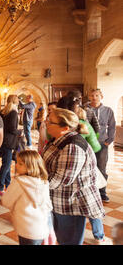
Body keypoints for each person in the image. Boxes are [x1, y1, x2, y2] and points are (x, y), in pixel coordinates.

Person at [42, 108, 105, 245]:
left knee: (69, 241)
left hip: (70, 205)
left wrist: (33, 184)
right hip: (58, 201)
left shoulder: (72, 147)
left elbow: (61, 179)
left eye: (50, 121)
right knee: (61, 238)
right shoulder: (57, 139)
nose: (46, 123)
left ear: (64, 128)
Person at [57, 96, 109, 244]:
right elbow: (97, 146)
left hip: (67, 173)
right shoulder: (85, 125)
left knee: (73, 209)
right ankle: (99, 236)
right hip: (83, 175)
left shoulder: (60, 127)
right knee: (91, 204)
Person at [2, 150, 52, 245]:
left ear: (30, 167)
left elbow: (6, 201)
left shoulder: (19, 182)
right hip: (41, 227)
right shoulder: (44, 182)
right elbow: (48, 205)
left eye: (20, 164)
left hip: (26, 228)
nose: (16, 165)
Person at [86, 89, 116, 203]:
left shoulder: (108, 111)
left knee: (101, 168)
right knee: (88, 167)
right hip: (88, 143)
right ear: (89, 96)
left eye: (97, 95)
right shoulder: (85, 110)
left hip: (102, 144)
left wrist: (109, 141)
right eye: (92, 95)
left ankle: (102, 192)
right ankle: (89, 192)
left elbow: (112, 126)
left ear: (101, 96)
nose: (94, 98)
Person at [0, 94, 19, 195]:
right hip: (9, 141)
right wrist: (20, 132)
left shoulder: (2, 111)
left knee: (7, 164)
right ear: (16, 101)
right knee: (6, 165)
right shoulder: (13, 112)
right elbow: (12, 129)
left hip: (2, 140)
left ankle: (8, 185)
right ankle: (0, 187)